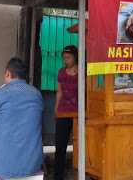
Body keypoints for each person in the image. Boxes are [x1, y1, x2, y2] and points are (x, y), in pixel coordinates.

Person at [54, 45, 78, 180]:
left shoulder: (82, 72)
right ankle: (58, 176)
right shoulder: (61, 72)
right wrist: (56, 110)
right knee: (60, 147)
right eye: (64, 58)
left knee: (80, 146)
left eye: (68, 58)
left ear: (75, 57)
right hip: (63, 113)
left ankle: (80, 174)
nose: (65, 60)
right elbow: (59, 92)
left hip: (77, 114)